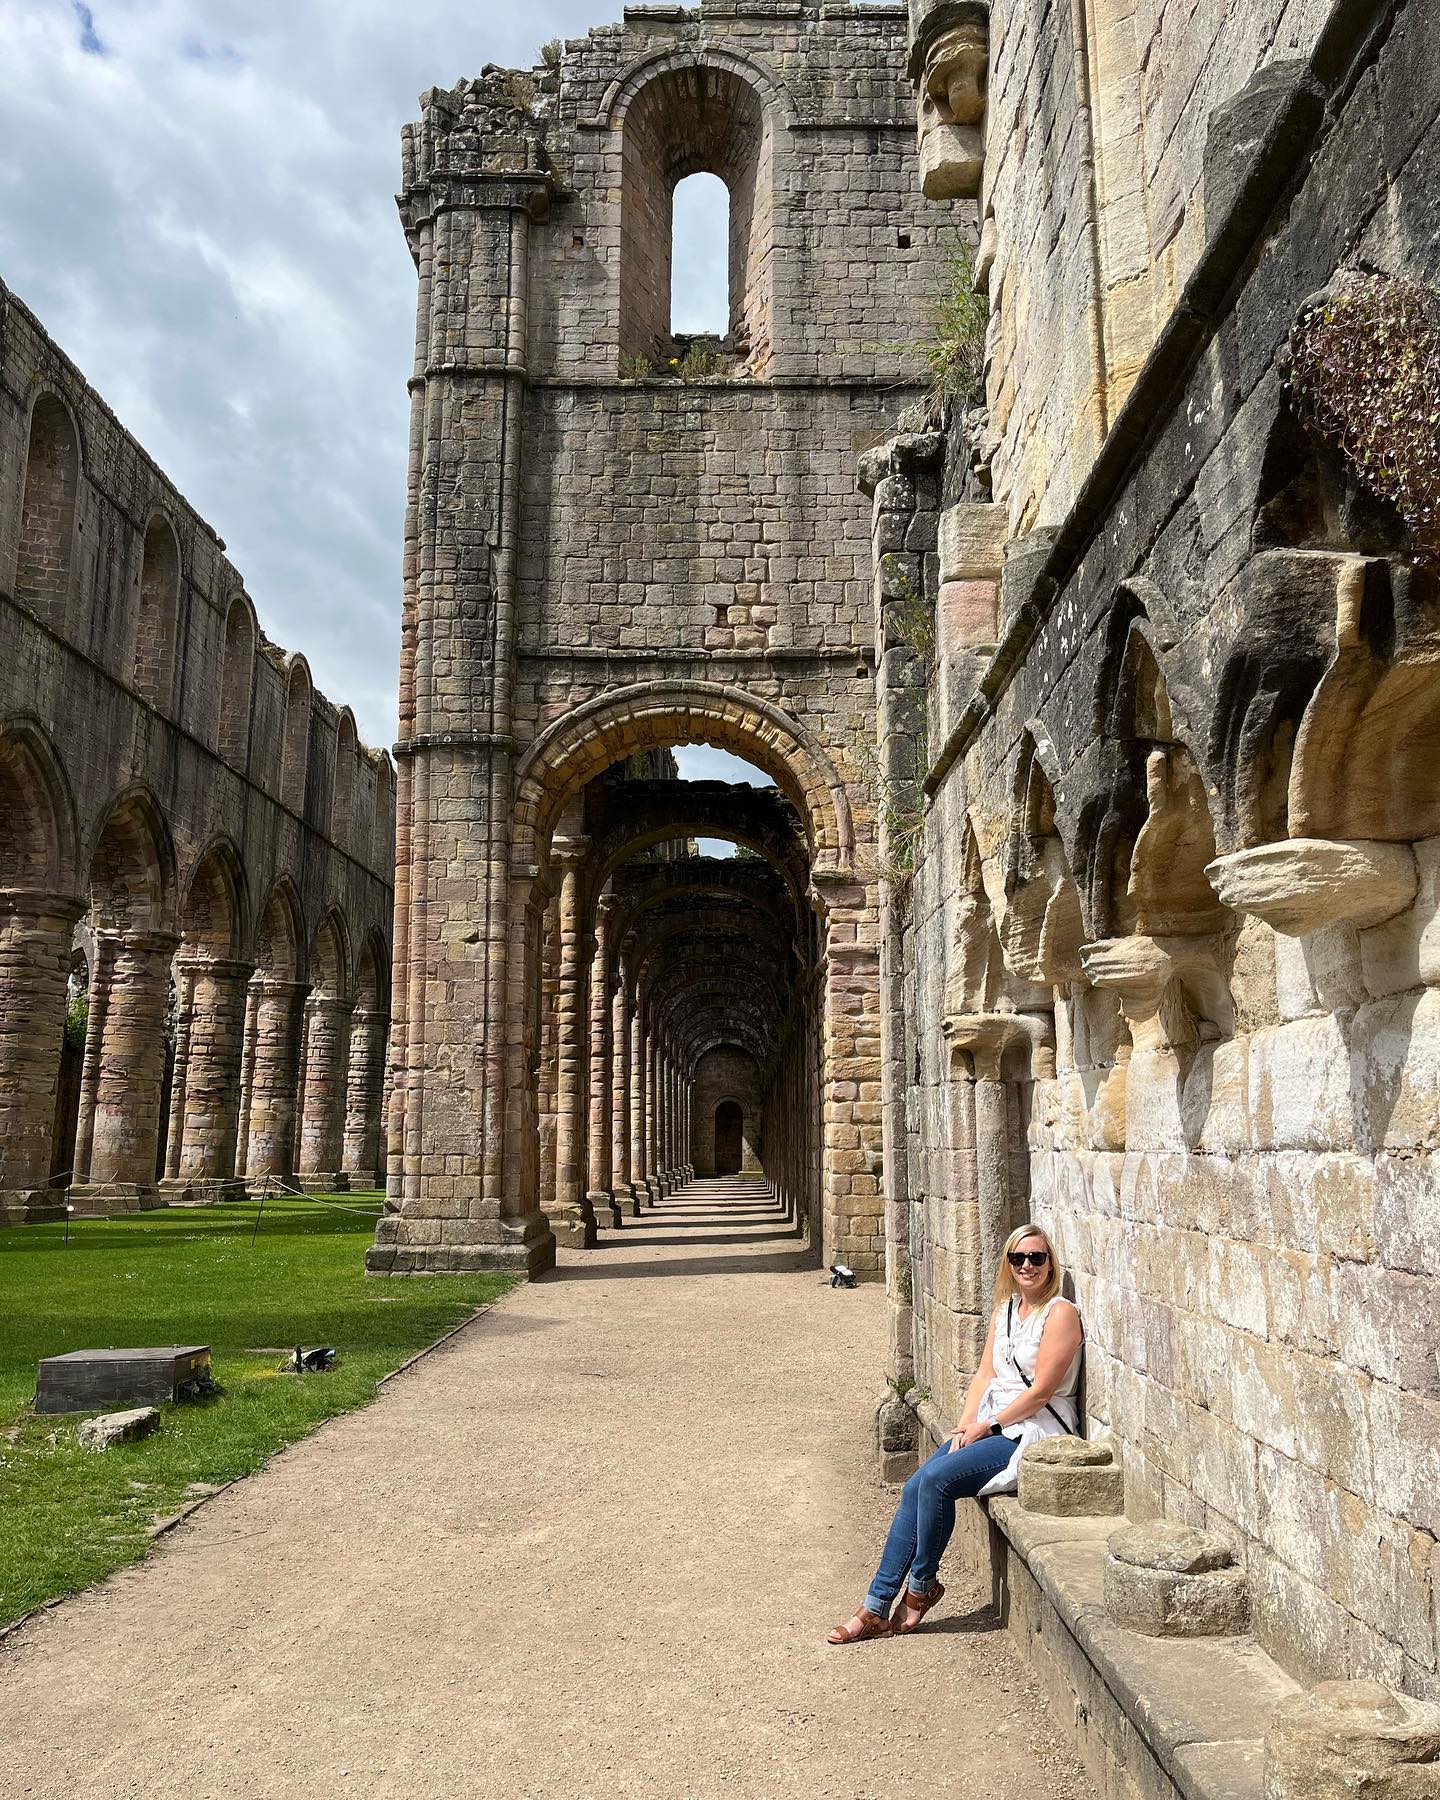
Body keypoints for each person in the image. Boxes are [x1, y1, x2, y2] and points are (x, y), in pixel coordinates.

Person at [828, 1222, 1083, 1644]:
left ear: (1050, 1263)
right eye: (1018, 1258)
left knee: (936, 1480)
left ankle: (921, 1585)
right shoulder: (1004, 1310)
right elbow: (985, 1373)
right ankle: (875, 1607)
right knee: (914, 1487)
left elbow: (1041, 1392)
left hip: (1031, 1432)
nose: (1027, 1265)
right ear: (1007, 1263)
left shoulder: (1060, 1314)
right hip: (990, 1425)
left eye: (1037, 1257)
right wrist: (967, 1425)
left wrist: (989, 1425)